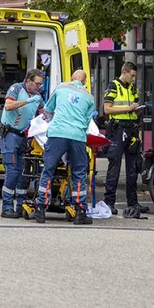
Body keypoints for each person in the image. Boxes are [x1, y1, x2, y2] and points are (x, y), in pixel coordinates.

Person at [34, 69, 96, 225]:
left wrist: (57, 119)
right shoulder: (89, 97)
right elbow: (88, 121)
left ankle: (41, 207)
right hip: (77, 137)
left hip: (58, 134)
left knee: (49, 169)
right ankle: (80, 211)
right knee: (79, 172)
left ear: (72, 78)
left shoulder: (61, 88)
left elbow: (47, 111)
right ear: (84, 82)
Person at [103, 61, 149, 215]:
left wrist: (137, 112)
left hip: (131, 129)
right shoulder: (113, 86)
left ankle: (133, 203)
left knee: (132, 168)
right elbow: (107, 109)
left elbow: (134, 108)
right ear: (126, 71)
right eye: (133, 75)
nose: (134, 79)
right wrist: (128, 109)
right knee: (114, 167)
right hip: (117, 129)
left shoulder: (132, 88)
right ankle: (109, 202)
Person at [0, 69, 45, 218]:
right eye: (37, 84)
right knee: (12, 171)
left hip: (24, 136)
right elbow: (8, 106)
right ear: (28, 81)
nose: (39, 87)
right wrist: (27, 101)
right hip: (10, 134)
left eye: (41, 84)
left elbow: (45, 113)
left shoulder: (37, 96)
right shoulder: (17, 88)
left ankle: (19, 206)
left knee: (22, 173)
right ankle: (6, 207)